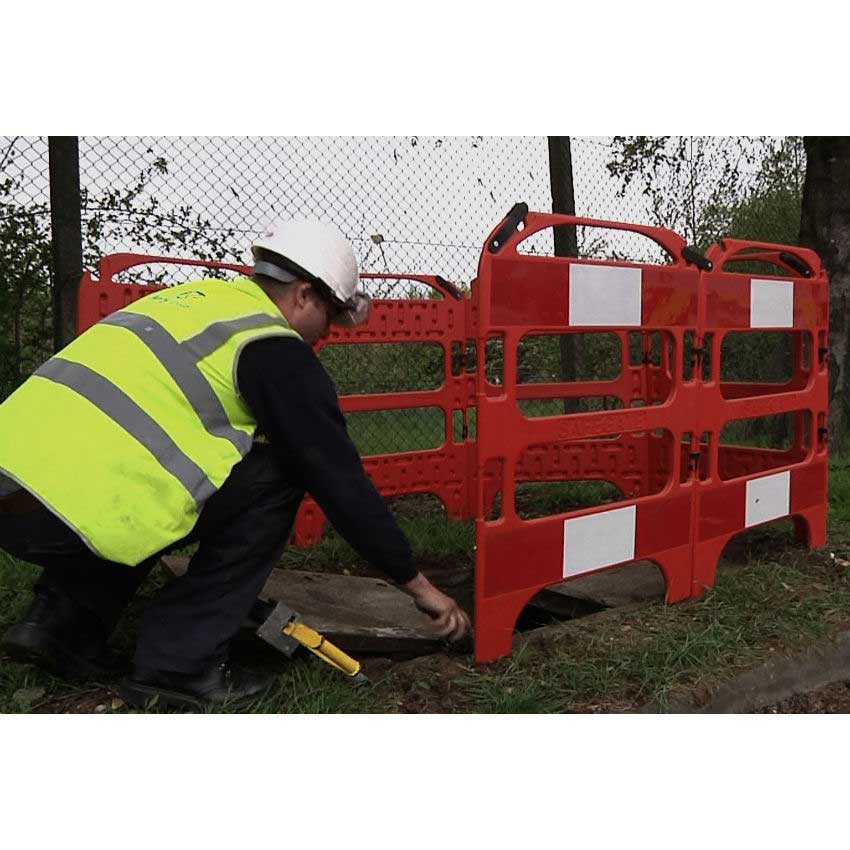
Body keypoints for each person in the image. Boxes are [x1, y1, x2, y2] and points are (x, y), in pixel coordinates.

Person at [0, 218, 471, 709]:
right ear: (305, 294)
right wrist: (416, 585)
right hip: (60, 513)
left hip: (15, 488)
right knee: (281, 472)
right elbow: (338, 479)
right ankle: (179, 667)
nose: (326, 334)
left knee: (143, 484)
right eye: (329, 317)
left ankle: (58, 626)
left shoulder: (193, 301)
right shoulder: (272, 345)